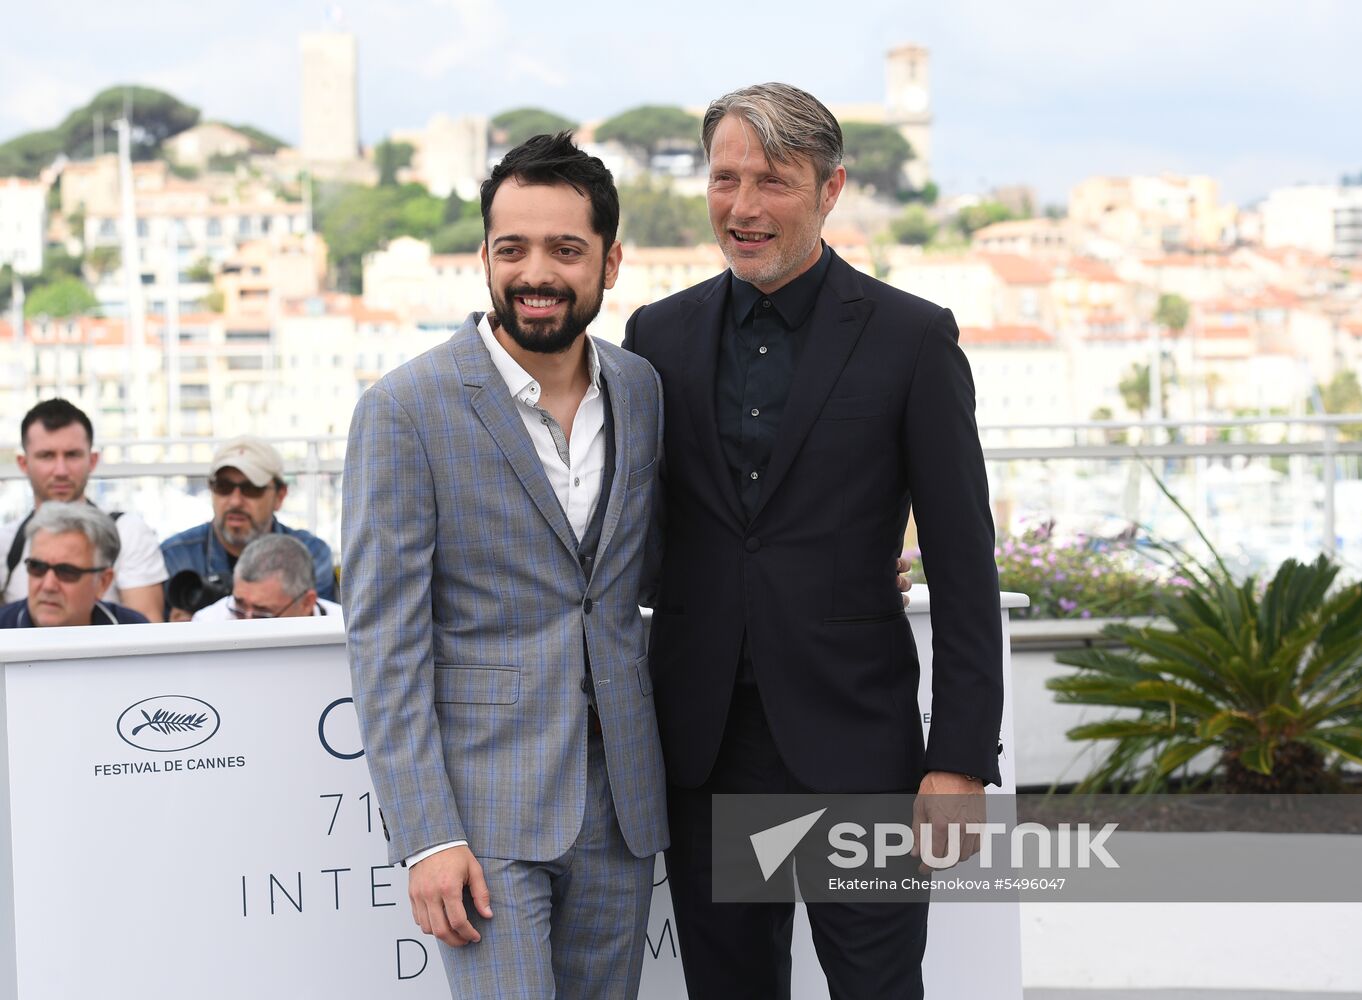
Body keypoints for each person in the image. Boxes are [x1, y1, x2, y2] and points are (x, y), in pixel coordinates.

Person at [623, 82, 1004, 999]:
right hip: (705, 749)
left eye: (774, 182)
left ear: (830, 190)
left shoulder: (912, 339)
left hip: (858, 749)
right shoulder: (654, 338)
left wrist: (958, 758)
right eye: (725, 179)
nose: (743, 208)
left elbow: (961, 562)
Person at [343, 132, 666, 999]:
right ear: (484, 256)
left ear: (610, 261)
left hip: (623, 804)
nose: (536, 272)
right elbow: (385, 643)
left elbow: (661, 567)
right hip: (482, 816)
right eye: (511, 247)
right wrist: (427, 834)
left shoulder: (641, 390)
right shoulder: (404, 410)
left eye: (566, 249)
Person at [2, 399, 167, 621]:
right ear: (23, 463)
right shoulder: (5, 542)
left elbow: (147, 641)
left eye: (72, 455)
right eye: (46, 456)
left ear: (93, 460)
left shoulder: (128, 532)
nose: (60, 470)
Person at [160, 436, 336, 614]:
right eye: (223, 486)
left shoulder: (312, 553)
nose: (235, 501)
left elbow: (318, 629)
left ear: (280, 496)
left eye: (251, 488)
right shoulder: (175, 555)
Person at [0, 502, 149, 627]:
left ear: (103, 582)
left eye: (67, 571)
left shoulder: (135, 634)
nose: (48, 586)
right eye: (37, 567)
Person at [192, 534, 343, 621]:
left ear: (306, 602)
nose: (247, 623)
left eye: (262, 614)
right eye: (238, 606)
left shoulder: (346, 632)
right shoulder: (207, 624)